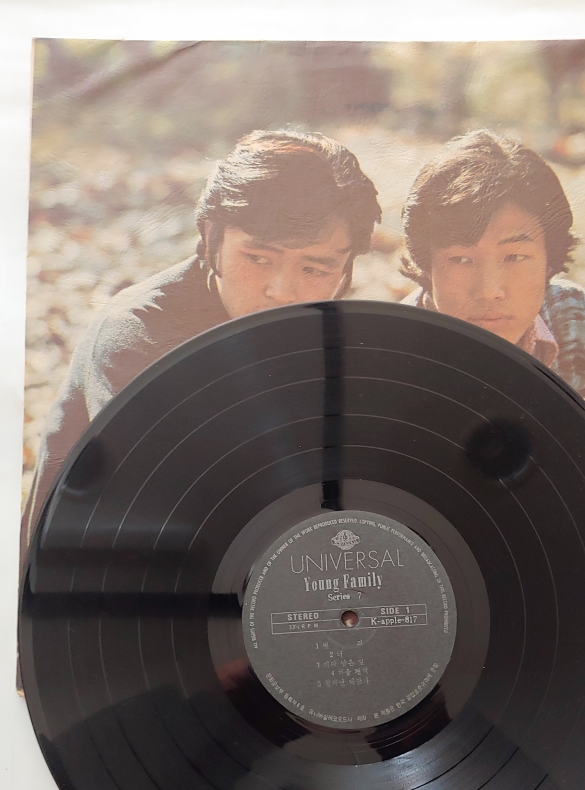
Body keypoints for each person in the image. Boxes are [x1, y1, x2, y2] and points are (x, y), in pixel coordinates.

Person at [400, 129, 585, 680]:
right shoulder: (391, 367)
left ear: (550, 260)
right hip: (463, 604)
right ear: (424, 263)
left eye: (515, 256)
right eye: (461, 259)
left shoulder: (576, 324)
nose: (490, 288)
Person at [22, 130, 382, 548]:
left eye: (314, 269)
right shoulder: (140, 335)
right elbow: (170, 504)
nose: (282, 291)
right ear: (211, 237)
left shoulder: (335, 329)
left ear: (346, 267)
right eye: (258, 258)